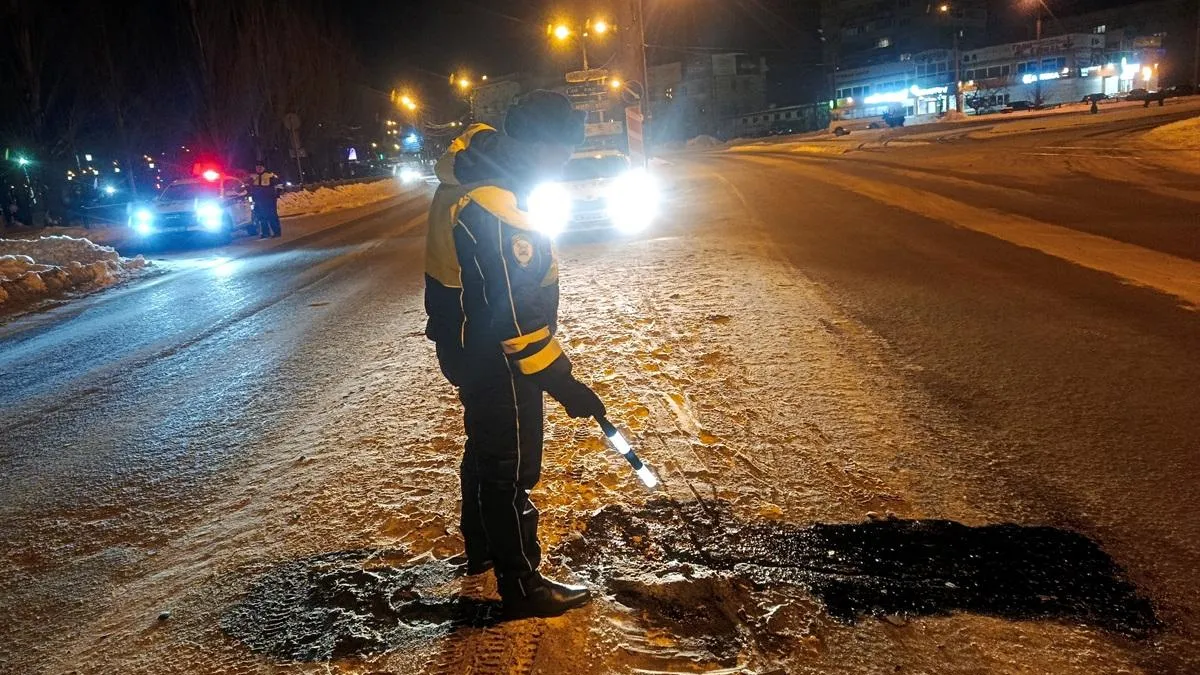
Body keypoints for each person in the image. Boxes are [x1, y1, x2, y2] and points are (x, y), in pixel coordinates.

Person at [424, 91, 604, 619]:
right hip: (497, 354)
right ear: (538, 146)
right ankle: (521, 583)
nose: (566, 161)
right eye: (562, 150)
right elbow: (515, 318)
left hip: (462, 338)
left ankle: (482, 547)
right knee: (511, 464)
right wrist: (563, 382)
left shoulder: (475, 167)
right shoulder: (496, 203)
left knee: (484, 447)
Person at [248, 162, 282, 238]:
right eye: (257, 167)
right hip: (258, 200)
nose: (259, 169)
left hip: (269, 199)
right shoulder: (253, 176)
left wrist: (277, 194)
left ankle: (276, 232)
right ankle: (265, 233)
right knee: (261, 217)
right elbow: (249, 186)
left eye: (260, 167)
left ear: (264, 168)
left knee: (271, 215)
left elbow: (279, 185)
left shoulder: (270, 175)